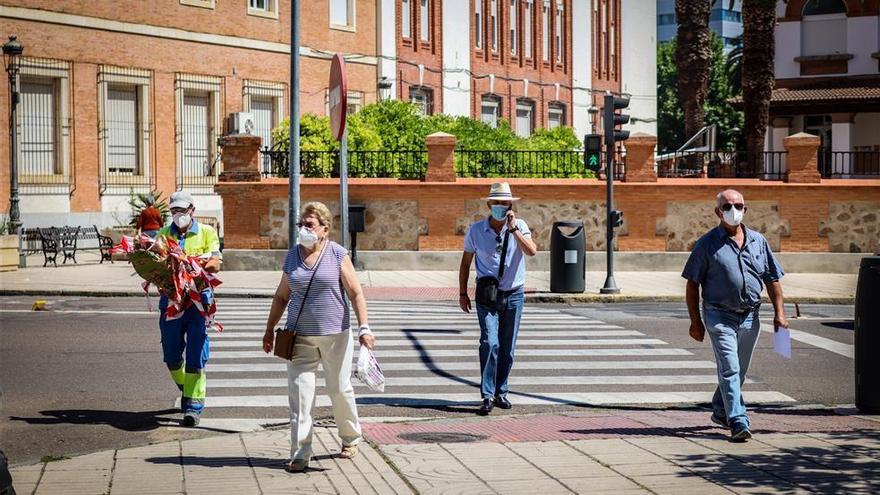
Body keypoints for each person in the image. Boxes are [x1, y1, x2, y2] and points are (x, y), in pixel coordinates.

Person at [262, 201, 375, 473]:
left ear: (324, 229)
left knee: (339, 389)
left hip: (336, 335)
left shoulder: (337, 254)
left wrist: (364, 328)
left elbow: (356, 293)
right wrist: (269, 330)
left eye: (309, 225)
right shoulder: (292, 256)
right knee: (300, 396)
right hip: (300, 336)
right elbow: (281, 296)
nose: (303, 229)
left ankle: (350, 438)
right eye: (301, 224)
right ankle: (300, 454)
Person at [682, 189, 788, 442]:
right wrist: (695, 322)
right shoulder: (707, 244)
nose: (733, 210)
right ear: (718, 212)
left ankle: (720, 409)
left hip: (751, 316)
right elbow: (691, 284)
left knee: (739, 371)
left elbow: (772, 279)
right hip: (719, 315)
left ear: (745, 209)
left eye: (738, 205)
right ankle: (738, 419)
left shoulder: (758, 241)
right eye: (727, 206)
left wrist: (780, 314)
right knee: (729, 368)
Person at [458, 182, 537, 416]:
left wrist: (513, 229)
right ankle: (487, 395)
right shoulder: (475, 230)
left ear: (511, 205)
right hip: (487, 295)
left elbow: (532, 250)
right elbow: (465, 263)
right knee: (490, 342)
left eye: (505, 203)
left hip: (514, 294)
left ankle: (502, 391)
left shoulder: (519, 226)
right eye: (497, 203)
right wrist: (462, 293)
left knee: (507, 347)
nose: (500, 206)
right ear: (488, 204)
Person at [157, 191, 222, 427]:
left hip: (198, 302)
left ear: (192, 210)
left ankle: (193, 406)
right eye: (174, 211)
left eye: (182, 210)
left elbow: (216, 262)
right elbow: (157, 263)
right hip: (172, 301)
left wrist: (200, 265)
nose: (178, 215)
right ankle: (187, 386)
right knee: (171, 355)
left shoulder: (207, 232)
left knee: (196, 353)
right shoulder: (165, 234)